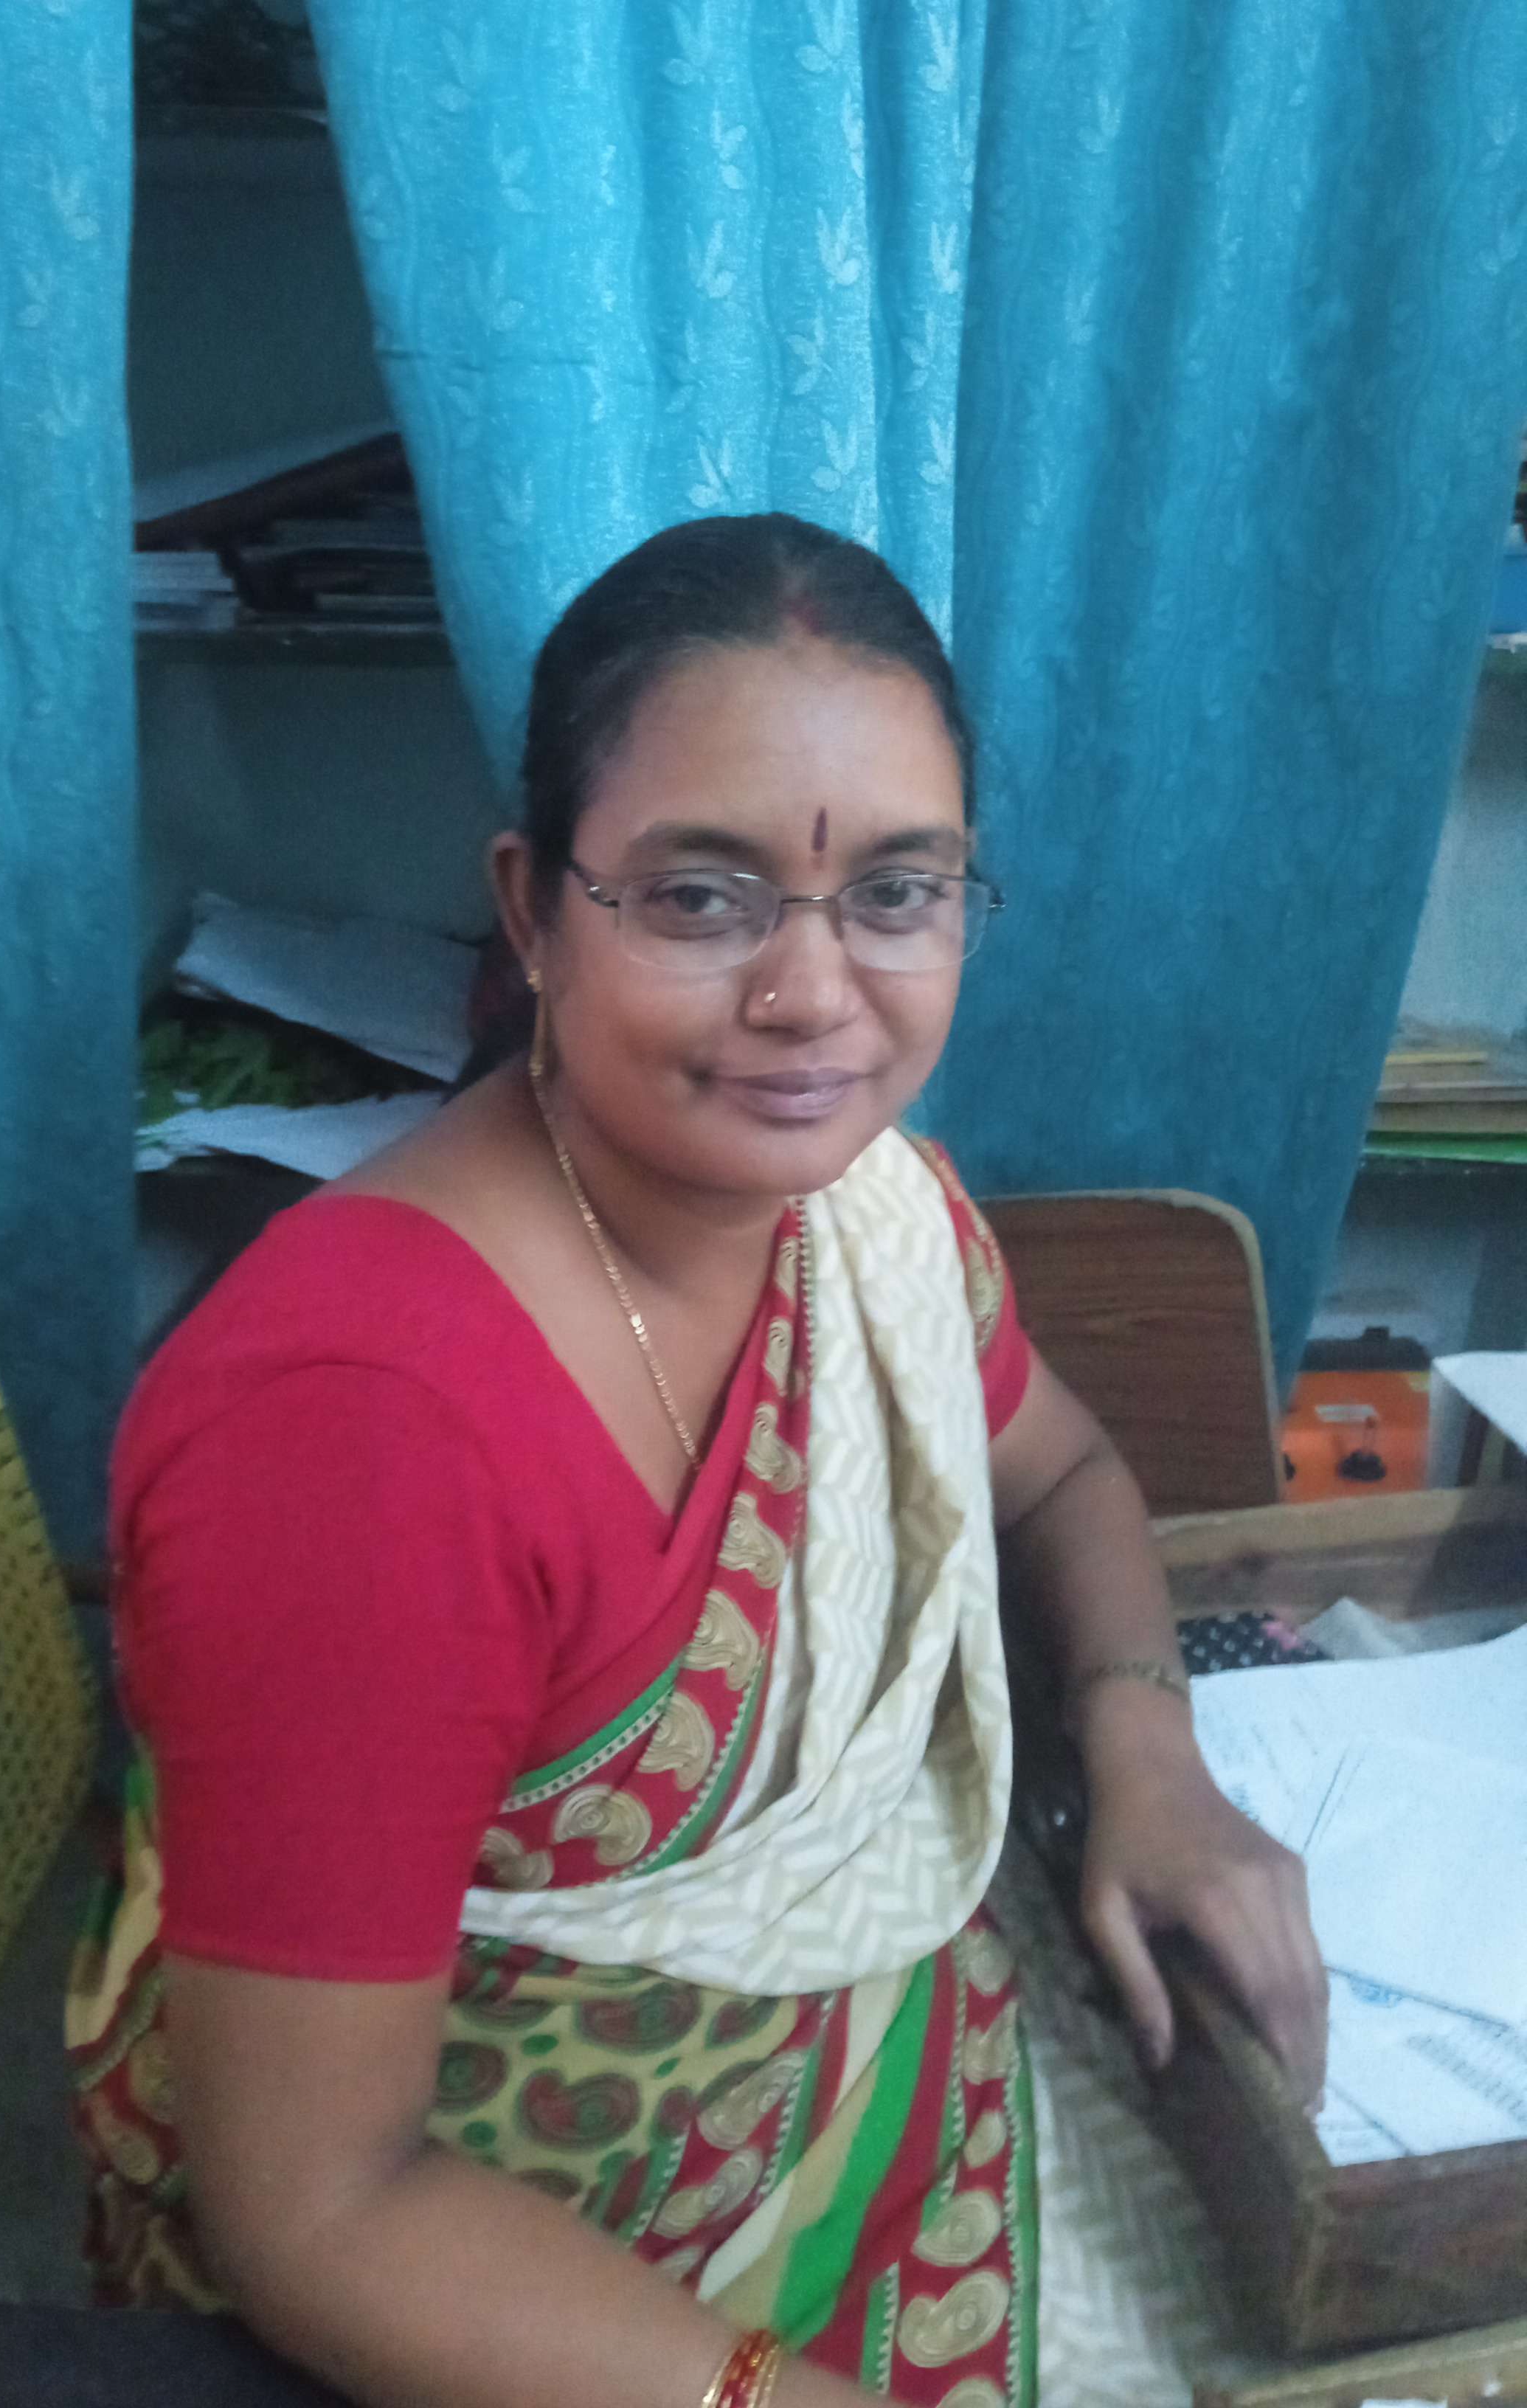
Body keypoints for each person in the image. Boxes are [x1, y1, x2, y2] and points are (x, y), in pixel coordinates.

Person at [68, 513, 1326, 2408]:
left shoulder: (868, 1218)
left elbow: (1065, 1481)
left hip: (902, 2029)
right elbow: (319, 2212)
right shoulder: (359, 1435)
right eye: (703, 898)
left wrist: (1153, 1756)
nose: (815, 994)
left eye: (897, 892)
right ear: (530, 913)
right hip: (503, 2276)